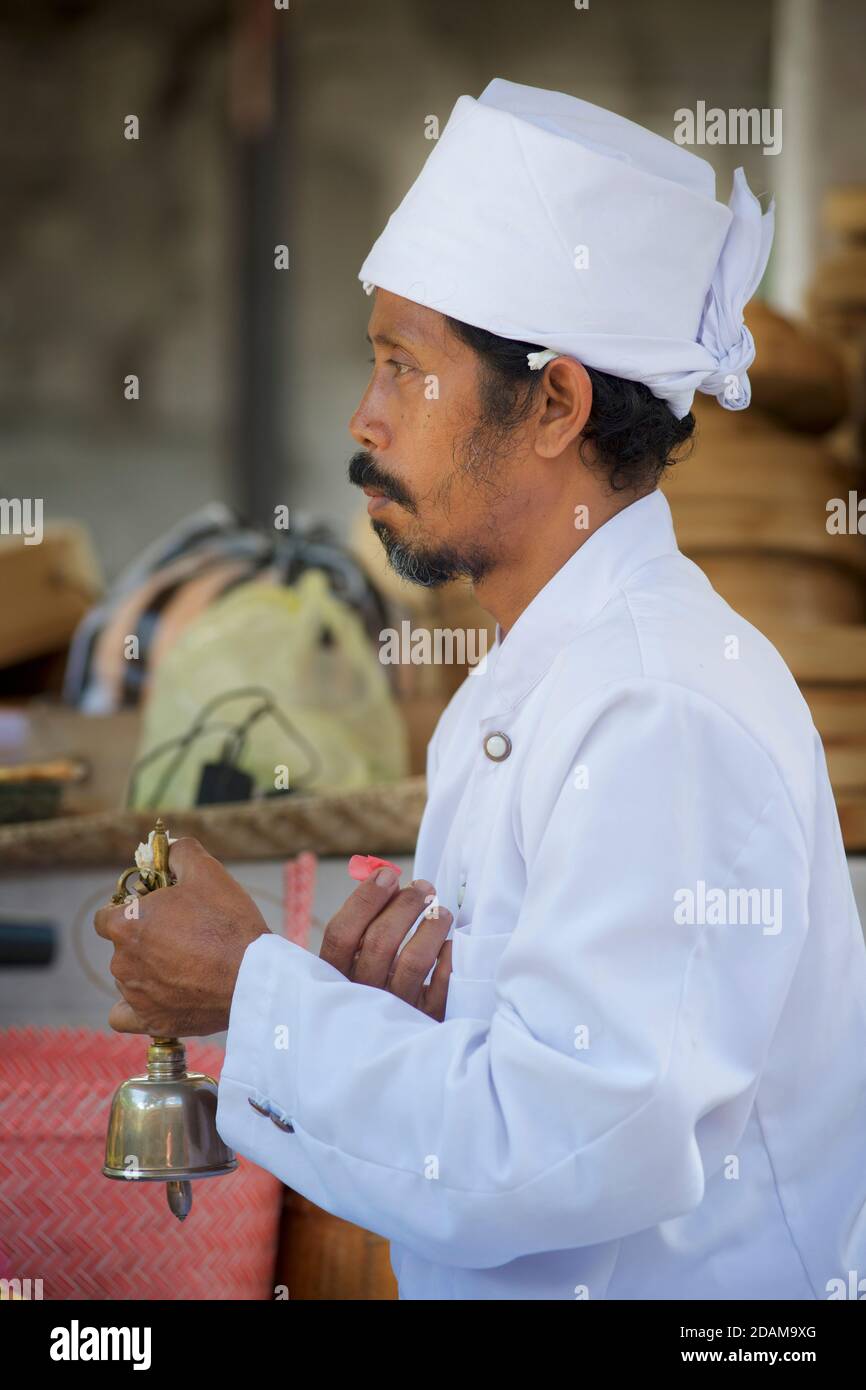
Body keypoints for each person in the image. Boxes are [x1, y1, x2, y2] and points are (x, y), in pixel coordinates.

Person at [95, 79, 866, 1300]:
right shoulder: (521, 688)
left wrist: (251, 988)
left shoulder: (656, 712)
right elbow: (510, 1100)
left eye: (405, 367)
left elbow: (555, 1148)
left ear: (554, 402)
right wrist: (380, 1021)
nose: (364, 417)